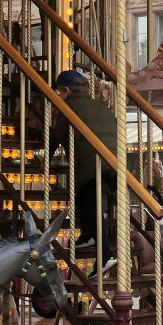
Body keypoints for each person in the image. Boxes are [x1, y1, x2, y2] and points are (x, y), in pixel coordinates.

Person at [50, 69, 117, 269]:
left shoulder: (68, 107)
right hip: (112, 160)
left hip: (90, 163)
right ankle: (88, 235)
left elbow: (57, 136)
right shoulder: (99, 105)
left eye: (60, 93)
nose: (60, 97)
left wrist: (45, 155)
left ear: (67, 90)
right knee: (85, 201)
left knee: (88, 204)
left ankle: (105, 254)